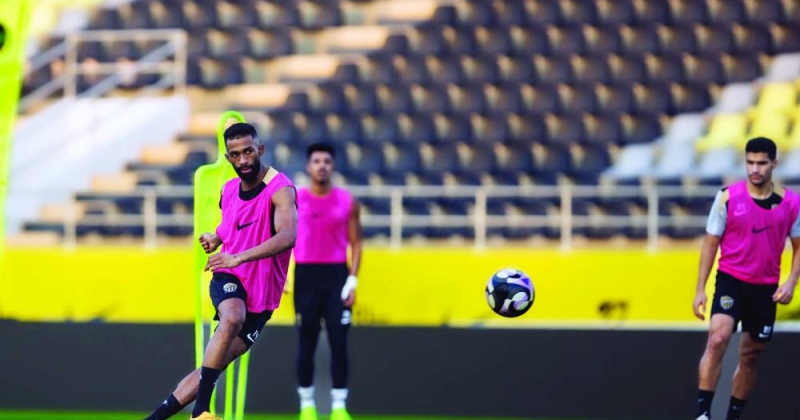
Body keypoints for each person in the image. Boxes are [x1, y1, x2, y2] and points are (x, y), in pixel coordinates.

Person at [143, 123, 298, 420]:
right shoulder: (228, 190)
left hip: (262, 294)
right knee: (233, 317)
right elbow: (232, 227)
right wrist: (215, 239)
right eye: (235, 155)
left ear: (260, 150)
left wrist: (237, 256)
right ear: (228, 158)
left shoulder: (281, 189)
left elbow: (288, 236)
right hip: (230, 276)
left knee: (210, 368)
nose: (243, 160)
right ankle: (201, 411)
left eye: (248, 152)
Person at [693, 137, 800, 420]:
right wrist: (700, 289)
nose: (755, 169)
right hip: (731, 279)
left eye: (761, 163)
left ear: (774, 164)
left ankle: (732, 416)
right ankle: (703, 414)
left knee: (751, 355)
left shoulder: (791, 202)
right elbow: (710, 243)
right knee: (717, 337)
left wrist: (791, 281)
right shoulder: (727, 197)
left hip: (765, 288)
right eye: (750, 162)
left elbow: (799, 246)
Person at [292, 143, 363, 420]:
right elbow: (282, 239)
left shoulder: (347, 201)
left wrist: (352, 280)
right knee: (306, 342)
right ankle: (307, 406)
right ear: (308, 166)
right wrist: (283, 276)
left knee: (339, 343)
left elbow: (356, 243)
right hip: (306, 276)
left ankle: (339, 407)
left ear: (332, 166)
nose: (322, 166)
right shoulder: (295, 199)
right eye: (316, 161)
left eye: (326, 161)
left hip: (336, 277)